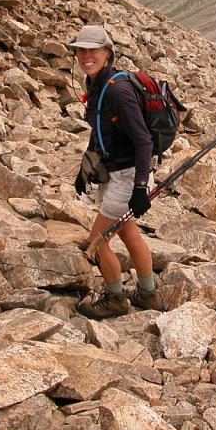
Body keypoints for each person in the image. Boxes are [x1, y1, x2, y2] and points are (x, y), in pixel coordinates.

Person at [67, 24, 158, 319]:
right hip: (116, 173)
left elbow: (143, 140)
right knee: (129, 234)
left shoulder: (117, 91)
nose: (86, 56)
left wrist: (140, 187)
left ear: (107, 52)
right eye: (81, 50)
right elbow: (99, 130)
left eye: (93, 50)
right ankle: (148, 294)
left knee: (96, 243)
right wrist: (86, 167)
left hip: (128, 177)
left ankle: (116, 299)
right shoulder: (96, 85)